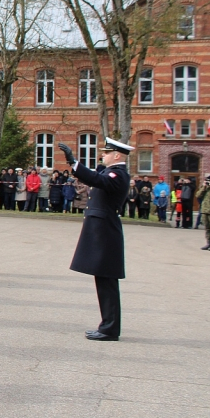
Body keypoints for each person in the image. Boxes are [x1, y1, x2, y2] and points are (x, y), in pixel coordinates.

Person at [58, 137, 131, 341]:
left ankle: (109, 329)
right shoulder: (110, 171)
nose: (102, 155)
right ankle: (107, 326)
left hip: (105, 232)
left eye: (106, 153)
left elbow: (98, 180)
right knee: (103, 279)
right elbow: (98, 175)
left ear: (117, 155)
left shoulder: (118, 174)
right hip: (103, 231)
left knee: (107, 281)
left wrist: (74, 162)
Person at [195, 175, 210, 251]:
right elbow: (198, 195)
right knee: (207, 228)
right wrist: (204, 187)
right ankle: (208, 243)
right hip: (204, 210)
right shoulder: (205, 187)